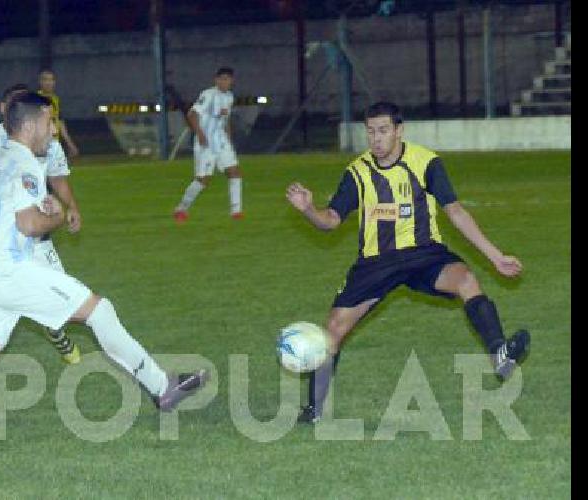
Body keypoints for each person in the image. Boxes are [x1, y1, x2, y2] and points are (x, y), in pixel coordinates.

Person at [0, 93, 209, 458]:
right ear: (31, 124)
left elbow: (9, 210)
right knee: (99, 310)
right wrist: (58, 214)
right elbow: (30, 224)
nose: (54, 130)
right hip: (10, 270)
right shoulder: (25, 162)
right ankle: (163, 388)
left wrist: (42, 207)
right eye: (50, 123)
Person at [284, 101, 531, 424]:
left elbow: (455, 211)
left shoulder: (426, 162)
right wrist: (307, 209)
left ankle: (499, 353)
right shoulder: (357, 173)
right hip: (376, 263)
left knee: (467, 280)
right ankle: (314, 410)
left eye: (383, 131)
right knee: (333, 330)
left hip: (423, 254)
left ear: (399, 131)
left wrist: (495, 256)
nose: (376, 139)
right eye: (371, 132)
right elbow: (330, 220)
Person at [0, 83, 82, 365]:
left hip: (36, 237)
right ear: (4, 110)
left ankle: (57, 333)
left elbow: (56, 176)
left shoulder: (47, 140)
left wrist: (71, 207)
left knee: (58, 298)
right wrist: (0, 195)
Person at [173, 67, 244, 222]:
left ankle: (236, 211)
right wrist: (200, 134)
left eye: (227, 79)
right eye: (222, 79)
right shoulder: (208, 95)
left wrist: (229, 139)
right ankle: (181, 208)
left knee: (234, 171)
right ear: (216, 80)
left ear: (232, 81)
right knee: (203, 179)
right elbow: (191, 114)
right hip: (206, 142)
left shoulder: (230, 97)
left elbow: (226, 120)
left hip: (221, 140)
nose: (225, 82)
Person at [36, 69, 80, 158]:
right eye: (45, 80)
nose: (48, 83)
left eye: (51, 80)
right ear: (40, 82)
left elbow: (59, 122)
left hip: (54, 144)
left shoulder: (55, 99)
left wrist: (70, 144)